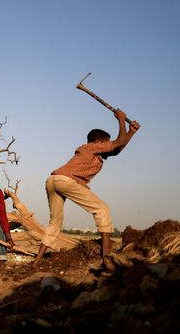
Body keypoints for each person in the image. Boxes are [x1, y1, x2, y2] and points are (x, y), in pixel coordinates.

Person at [32, 109, 140, 267]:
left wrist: (131, 132)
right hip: (65, 181)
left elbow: (117, 149)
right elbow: (118, 143)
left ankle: (36, 262)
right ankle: (106, 258)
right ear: (99, 143)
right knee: (102, 209)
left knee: (55, 222)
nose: (108, 147)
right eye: (107, 143)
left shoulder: (94, 153)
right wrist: (121, 120)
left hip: (53, 180)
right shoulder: (90, 147)